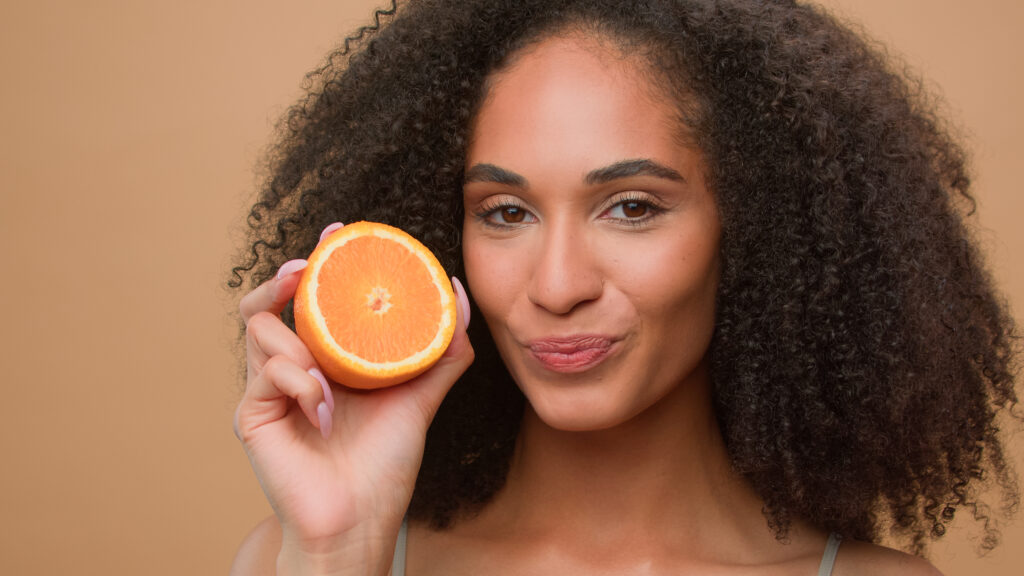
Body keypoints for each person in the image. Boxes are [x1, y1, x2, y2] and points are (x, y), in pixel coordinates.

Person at [227, 0, 1021, 574]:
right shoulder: (299, 557)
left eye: (633, 207)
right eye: (505, 212)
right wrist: (340, 548)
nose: (558, 284)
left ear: (755, 226)